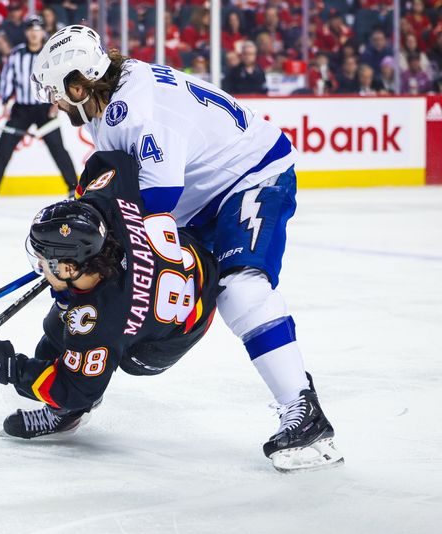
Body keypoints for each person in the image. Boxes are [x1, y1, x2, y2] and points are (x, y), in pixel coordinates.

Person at [30, 25, 343, 472]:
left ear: (79, 85)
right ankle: (74, 394)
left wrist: (102, 248)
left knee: (240, 289)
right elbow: (130, 188)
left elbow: (157, 203)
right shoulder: (112, 96)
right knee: (111, 280)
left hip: (251, 176)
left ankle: (304, 410)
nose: (53, 101)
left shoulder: (133, 111)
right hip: (200, 194)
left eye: (57, 91)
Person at [0, 149, 219, 440]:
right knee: (56, 329)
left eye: (44, 259)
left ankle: (64, 420)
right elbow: (116, 162)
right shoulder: (110, 214)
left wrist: (6, 366)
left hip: (174, 333)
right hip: (191, 257)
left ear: (68, 266)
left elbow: (75, 391)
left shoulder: (98, 324)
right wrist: (84, 212)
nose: (39, 264)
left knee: (64, 340)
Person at [0, 15, 77, 199]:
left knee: (58, 148)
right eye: (31, 30)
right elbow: (7, 78)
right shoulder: (16, 54)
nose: (34, 34)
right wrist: (5, 101)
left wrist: (58, 103)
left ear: (42, 31)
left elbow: (61, 78)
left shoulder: (52, 53)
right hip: (22, 110)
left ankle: (73, 187)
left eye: (37, 30)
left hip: (46, 109)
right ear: (26, 32)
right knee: (4, 146)